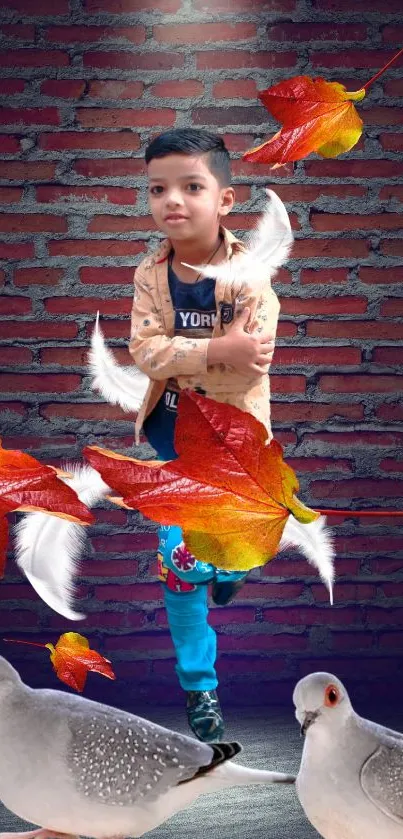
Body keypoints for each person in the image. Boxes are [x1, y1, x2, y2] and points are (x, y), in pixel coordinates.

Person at [129, 128, 280, 743]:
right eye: (159, 189)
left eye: (192, 186)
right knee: (177, 562)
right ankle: (201, 690)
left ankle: (228, 566)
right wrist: (219, 347)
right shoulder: (149, 274)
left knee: (225, 549)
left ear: (224, 198)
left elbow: (254, 361)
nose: (174, 201)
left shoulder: (250, 276)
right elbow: (145, 352)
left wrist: (189, 355)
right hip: (172, 437)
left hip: (233, 445)